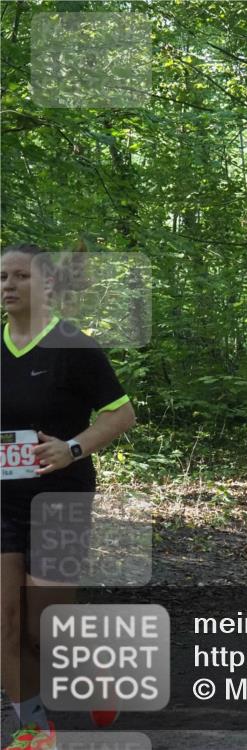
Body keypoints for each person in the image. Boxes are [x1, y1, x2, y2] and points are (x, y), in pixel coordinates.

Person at [1, 243, 137, 745]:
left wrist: (73, 447)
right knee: (7, 621)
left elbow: (120, 415)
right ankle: (34, 730)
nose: (9, 286)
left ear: (48, 285)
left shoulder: (72, 344)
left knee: (44, 623)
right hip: (2, 501)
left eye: (21, 277)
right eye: (2, 278)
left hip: (60, 496)